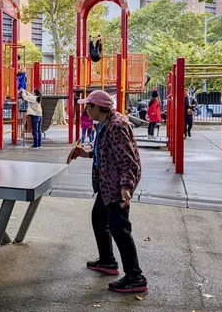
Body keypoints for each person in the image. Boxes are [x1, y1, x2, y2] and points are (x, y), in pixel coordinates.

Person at [72, 90, 147, 293]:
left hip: (116, 186)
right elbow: (105, 153)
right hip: (106, 185)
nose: (86, 109)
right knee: (99, 219)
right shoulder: (106, 123)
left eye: (88, 106)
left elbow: (128, 160)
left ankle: (135, 277)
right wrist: (85, 153)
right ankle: (107, 261)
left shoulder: (116, 126)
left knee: (119, 229)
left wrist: (126, 187)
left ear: (97, 107)